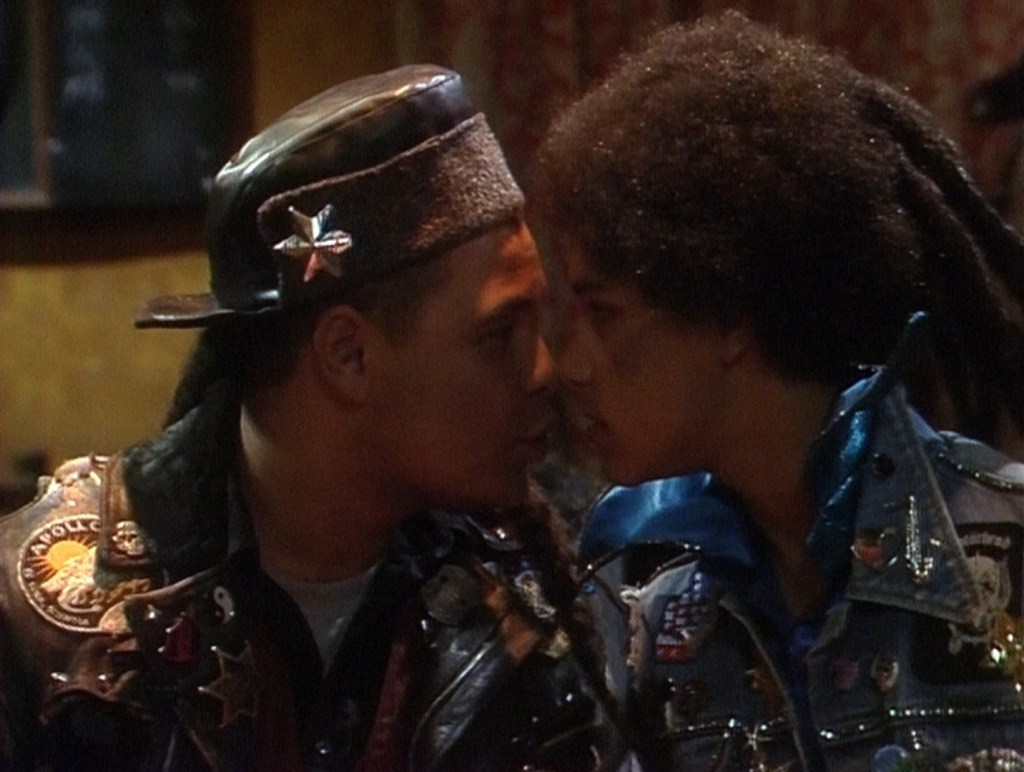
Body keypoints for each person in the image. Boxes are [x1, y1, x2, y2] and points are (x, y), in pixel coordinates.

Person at [0, 65, 627, 771]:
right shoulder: (41, 621)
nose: (545, 371)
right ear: (348, 356)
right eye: (500, 334)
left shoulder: (541, 593)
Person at [534, 11, 1024, 770]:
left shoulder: (1006, 554)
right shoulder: (662, 630)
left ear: (730, 314)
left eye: (604, 315)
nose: (569, 365)